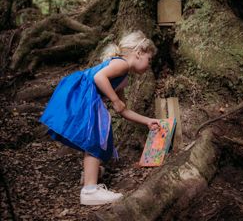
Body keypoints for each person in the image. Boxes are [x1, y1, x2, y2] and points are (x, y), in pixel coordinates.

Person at [39, 30, 160, 206]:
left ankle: (91, 176)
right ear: (139, 53)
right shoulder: (122, 65)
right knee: (95, 140)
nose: (149, 64)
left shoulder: (123, 77)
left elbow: (123, 110)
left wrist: (147, 121)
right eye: (149, 59)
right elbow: (99, 77)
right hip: (82, 97)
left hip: (83, 97)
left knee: (95, 140)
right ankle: (89, 191)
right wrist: (115, 99)